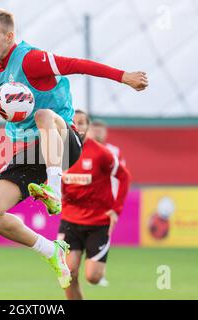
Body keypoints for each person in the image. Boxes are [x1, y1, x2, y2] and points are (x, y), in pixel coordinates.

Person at [0, 8, 147, 289]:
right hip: (31, 155)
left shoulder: (31, 59)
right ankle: (50, 251)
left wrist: (124, 76)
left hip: (65, 141)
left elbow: (78, 64)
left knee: (44, 115)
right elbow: (16, 115)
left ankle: (54, 189)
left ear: (9, 36)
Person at [59, 110, 131, 300]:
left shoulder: (101, 153)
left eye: (82, 123)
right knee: (67, 274)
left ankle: (96, 271)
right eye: (74, 122)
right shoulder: (58, 151)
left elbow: (124, 176)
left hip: (98, 223)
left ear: (87, 127)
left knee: (93, 276)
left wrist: (116, 210)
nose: (78, 126)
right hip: (69, 221)